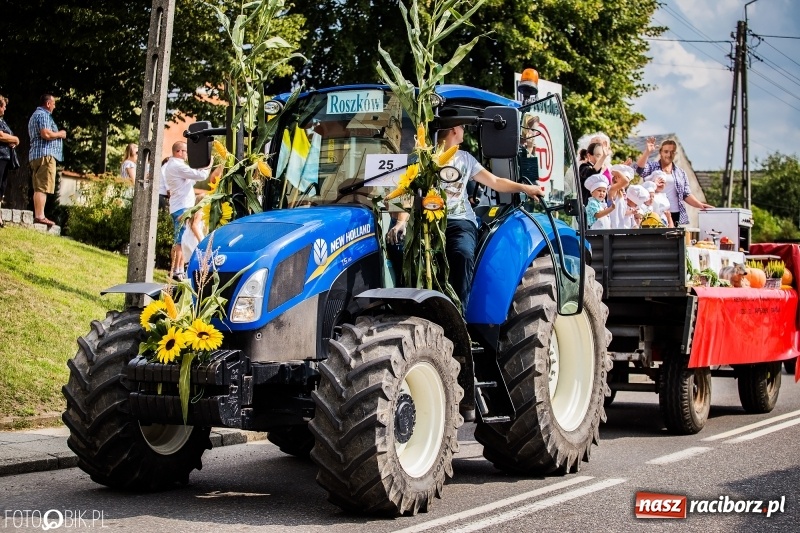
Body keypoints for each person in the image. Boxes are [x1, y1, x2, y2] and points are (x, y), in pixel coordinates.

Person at [387, 124, 544, 307]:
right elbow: (409, 194)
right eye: (462, 127)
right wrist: (401, 223)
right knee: (404, 251)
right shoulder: (423, 157)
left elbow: (495, 182)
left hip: (460, 222)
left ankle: (459, 313)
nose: (465, 131)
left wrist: (525, 187)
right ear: (454, 129)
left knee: (462, 253)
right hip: (427, 222)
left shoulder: (465, 159)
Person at [163, 141, 221, 280]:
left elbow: (191, 180)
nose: (187, 154)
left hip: (180, 205)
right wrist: (209, 165)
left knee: (181, 239)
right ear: (179, 152)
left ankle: (178, 269)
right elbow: (200, 176)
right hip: (182, 206)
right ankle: (176, 270)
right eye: (185, 151)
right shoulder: (177, 165)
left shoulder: (175, 165)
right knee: (180, 240)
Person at [635, 136, 712, 225]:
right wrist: (647, 152)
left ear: (675, 154)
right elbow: (639, 169)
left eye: (672, 152)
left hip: (674, 212)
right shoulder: (652, 167)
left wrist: (700, 205)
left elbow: (686, 194)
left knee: (673, 237)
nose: (668, 155)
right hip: (656, 212)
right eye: (666, 151)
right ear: (660, 152)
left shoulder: (681, 173)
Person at [28, 94, 67, 228]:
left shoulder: (34, 115)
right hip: (45, 155)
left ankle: (39, 214)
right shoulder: (43, 115)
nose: (55, 106)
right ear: (48, 104)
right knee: (42, 187)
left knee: (38, 187)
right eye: (54, 103)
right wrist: (60, 134)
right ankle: (40, 216)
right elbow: (45, 133)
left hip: (36, 155)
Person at [0, 95, 20, 228]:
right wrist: (15, 139)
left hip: (6, 157)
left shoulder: (3, 122)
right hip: (0, 156)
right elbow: (1, 136)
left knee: (1, 187)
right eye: (3, 106)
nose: (5, 109)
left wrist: (13, 140)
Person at [608, 165, 632, 229]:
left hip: (620, 228)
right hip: (613, 228)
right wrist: (618, 172)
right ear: (615, 178)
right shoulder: (612, 189)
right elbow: (625, 181)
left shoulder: (622, 193)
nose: (628, 181)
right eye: (623, 176)